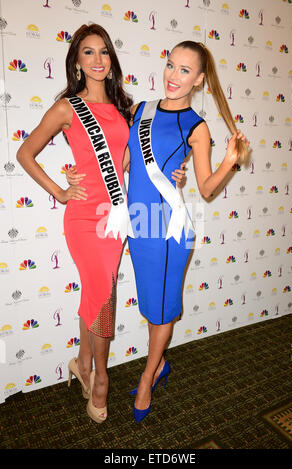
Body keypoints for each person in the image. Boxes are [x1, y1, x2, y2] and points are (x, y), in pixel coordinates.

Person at [17, 23, 185, 424]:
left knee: (98, 289)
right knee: (104, 296)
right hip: (83, 217)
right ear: (77, 60)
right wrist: (60, 190)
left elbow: (129, 162)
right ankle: (101, 380)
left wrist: (172, 174)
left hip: (118, 215)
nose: (97, 60)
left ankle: (80, 361)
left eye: (103, 52)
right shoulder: (66, 108)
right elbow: (25, 153)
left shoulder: (126, 110)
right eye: (88, 52)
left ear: (111, 61)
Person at [127, 41, 249, 423]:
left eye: (184, 70)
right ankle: (159, 363)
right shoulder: (139, 110)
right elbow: (130, 163)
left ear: (198, 80)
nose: (173, 75)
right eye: (170, 64)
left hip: (168, 231)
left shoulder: (197, 126)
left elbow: (207, 188)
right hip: (138, 225)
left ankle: (148, 376)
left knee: (161, 312)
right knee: (152, 305)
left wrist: (230, 160)